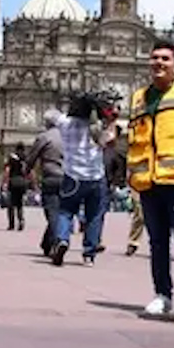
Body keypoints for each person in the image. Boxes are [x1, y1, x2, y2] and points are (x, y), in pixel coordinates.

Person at [127, 40, 174, 319]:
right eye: (155, 58)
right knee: (157, 242)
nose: (159, 63)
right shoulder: (139, 97)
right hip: (148, 181)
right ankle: (163, 295)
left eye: (165, 59)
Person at [51, 95, 112, 267]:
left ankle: (62, 240)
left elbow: (50, 114)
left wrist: (65, 111)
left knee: (65, 211)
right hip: (95, 177)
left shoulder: (66, 123)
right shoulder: (98, 128)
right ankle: (89, 254)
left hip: (72, 176)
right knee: (94, 216)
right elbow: (110, 140)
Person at [26, 108, 65, 255]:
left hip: (51, 178)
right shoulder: (69, 137)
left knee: (53, 213)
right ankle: (46, 244)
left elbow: (32, 157)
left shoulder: (44, 137)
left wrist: (27, 170)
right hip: (69, 179)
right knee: (63, 213)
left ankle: (57, 241)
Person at [2, 143, 30, 231]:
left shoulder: (11, 158)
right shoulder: (25, 158)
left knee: (11, 205)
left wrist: (5, 182)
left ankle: (11, 224)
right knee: (20, 204)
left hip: (13, 181)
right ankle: (21, 220)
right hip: (22, 182)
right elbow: (29, 172)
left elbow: (7, 170)